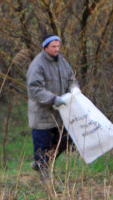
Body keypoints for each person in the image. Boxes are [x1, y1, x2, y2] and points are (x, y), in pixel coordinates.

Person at [27, 34, 78, 177]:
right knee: (42, 147)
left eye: (58, 46)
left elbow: (71, 79)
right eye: (53, 47)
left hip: (60, 115)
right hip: (42, 116)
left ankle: (40, 163)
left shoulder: (62, 62)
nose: (56, 49)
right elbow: (35, 89)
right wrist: (53, 99)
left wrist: (75, 89)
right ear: (45, 47)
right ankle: (44, 176)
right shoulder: (37, 65)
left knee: (67, 139)